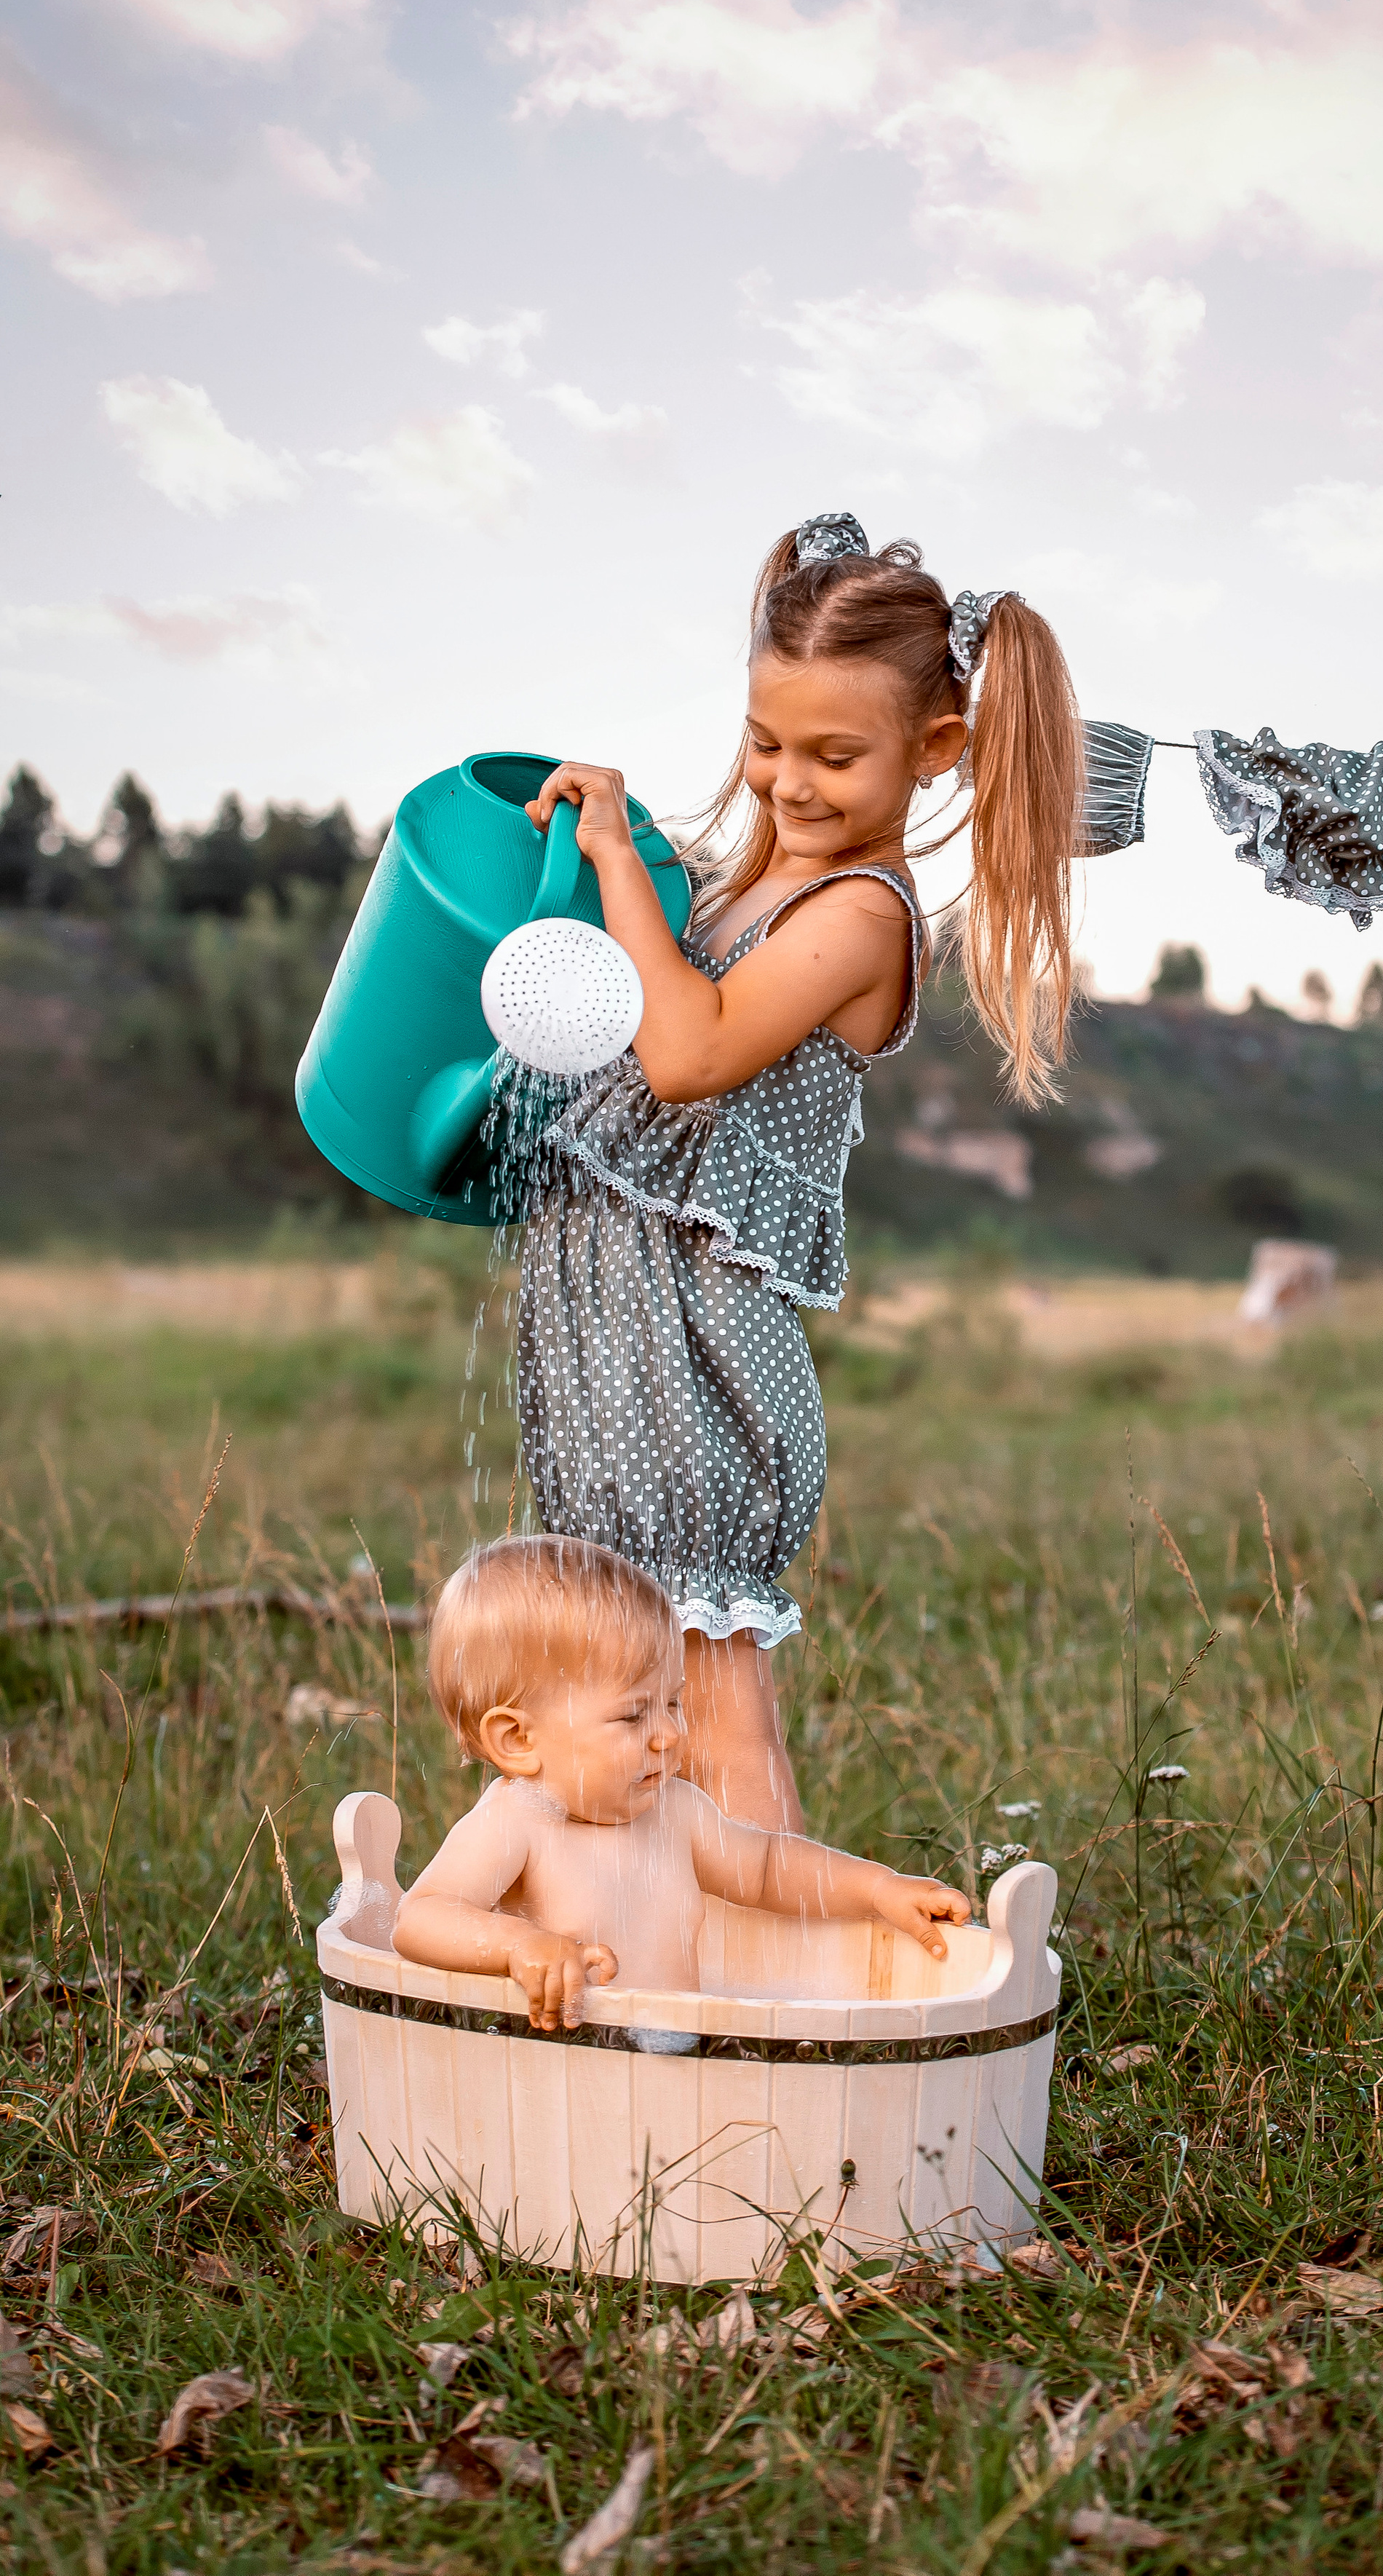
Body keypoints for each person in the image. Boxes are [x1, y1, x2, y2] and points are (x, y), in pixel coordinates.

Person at [513, 513, 1085, 1831]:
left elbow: (688, 1054)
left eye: (837, 754)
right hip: (619, 1357)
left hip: (700, 1375)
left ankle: (775, 1981)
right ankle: (659, 1948)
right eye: (768, 744)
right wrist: (610, 863)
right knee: (614, 1698)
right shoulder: (739, 895)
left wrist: (617, 868)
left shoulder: (861, 915)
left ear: (935, 751)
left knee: (713, 1715)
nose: (789, 781)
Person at [391, 1535, 971, 2030]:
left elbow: (769, 1867)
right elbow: (421, 1918)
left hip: (680, 2061)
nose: (669, 1733)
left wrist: (877, 1888)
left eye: (673, 1702)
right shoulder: (519, 1822)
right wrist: (518, 1947)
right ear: (518, 1740)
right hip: (571, 2079)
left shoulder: (676, 1812)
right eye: (632, 1715)